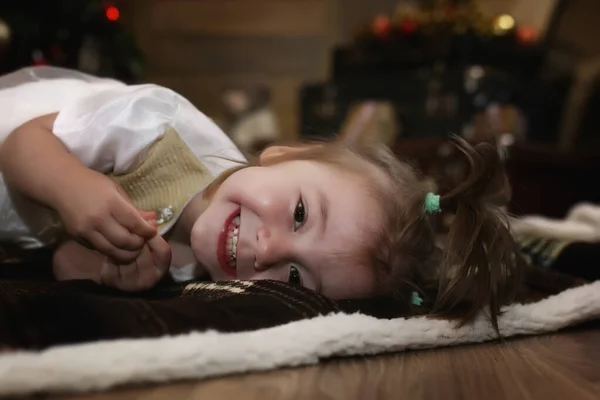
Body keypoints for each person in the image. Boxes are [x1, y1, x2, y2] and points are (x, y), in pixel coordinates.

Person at [0, 66, 523, 330]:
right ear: (279, 154)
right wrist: (73, 188)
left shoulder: (197, 273)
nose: (269, 251)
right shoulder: (160, 131)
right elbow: (22, 144)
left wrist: (111, 269)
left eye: (295, 278)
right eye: (300, 214)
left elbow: (60, 257)